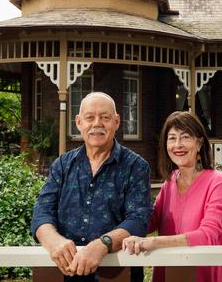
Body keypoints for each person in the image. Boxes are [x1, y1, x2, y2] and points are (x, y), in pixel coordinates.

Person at [31, 92, 152, 281]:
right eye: (90, 118)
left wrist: (102, 244)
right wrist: (53, 240)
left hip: (117, 275)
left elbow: (139, 220)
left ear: (117, 122)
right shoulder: (62, 165)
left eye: (105, 117)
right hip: (66, 273)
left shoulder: (136, 167)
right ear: (78, 122)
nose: (97, 124)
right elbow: (42, 211)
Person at [122, 111, 222, 282]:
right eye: (172, 138)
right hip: (168, 274)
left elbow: (207, 235)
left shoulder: (215, 180)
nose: (178, 145)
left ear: (199, 142)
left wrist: (153, 242)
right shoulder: (170, 182)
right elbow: (148, 222)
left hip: (202, 276)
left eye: (185, 137)